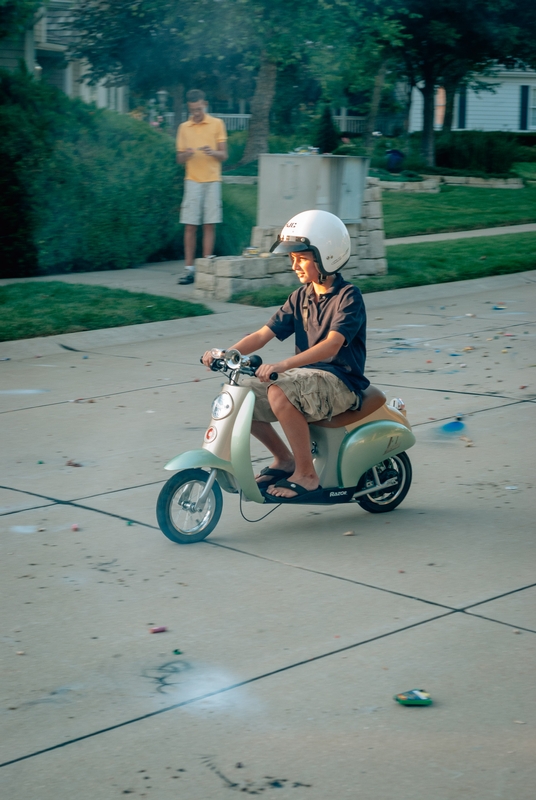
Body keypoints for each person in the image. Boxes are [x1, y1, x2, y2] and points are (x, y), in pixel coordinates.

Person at [202, 210, 385, 501]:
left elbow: (331, 346)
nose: (294, 266)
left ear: (326, 255)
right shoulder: (300, 297)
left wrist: (282, 366)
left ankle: (306, 474)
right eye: (291, 259)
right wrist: (228, 352)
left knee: (278, 390)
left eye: (301, 258)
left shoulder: (348, 297)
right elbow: (263, 335)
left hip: (340, 382)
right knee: (240, 397)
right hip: (306, 380)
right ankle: (284, 460)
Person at [176, 89, 228, 284]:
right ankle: (189, 269)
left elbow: (224, 155)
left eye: (198, 109)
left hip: (212, 180)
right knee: (190, 225)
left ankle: (206, 267)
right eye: (192, 110)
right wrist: (187, 154)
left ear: (204, 104)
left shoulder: (217, 124)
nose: (196, 113)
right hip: (192, 180)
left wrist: (212, 152)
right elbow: (179, 158)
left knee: (209, 224)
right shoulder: (184, 127)